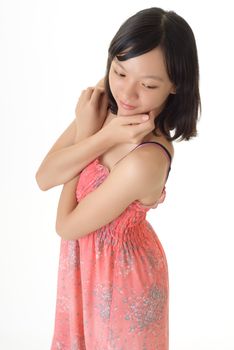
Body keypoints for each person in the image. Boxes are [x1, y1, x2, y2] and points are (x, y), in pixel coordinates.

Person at [35, 7, 200, 350]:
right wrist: (99, 136)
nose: (127, 94)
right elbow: (45, 176)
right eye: (119, 72)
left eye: (149, 84)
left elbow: (66, 225)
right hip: (85, 269)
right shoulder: (107, 112)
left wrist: (89, 134)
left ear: (175, 86)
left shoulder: (146, 160)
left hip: (124, 282)